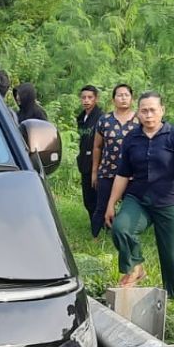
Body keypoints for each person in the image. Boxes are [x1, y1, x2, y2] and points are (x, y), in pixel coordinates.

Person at [104, 91, 174, 297]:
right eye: (144, 111)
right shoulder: (132, 138)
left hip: (171, 200)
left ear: (162, 111)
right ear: (138, 114)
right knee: (121, 228)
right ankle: (136, 267)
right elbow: (123, 174)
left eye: (152, 110)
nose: (148, 115)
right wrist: (110, 204)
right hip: (139, 198)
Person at [91, 83, 139, 237]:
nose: (123, 98)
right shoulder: (104, 120)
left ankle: (125, 236)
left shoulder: (139, 120)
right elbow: (97, 147)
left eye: (126, 95)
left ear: (132, 99)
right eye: (119, 95)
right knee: (101, 206)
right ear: (113, 100)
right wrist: (94, 171)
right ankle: (96, 237)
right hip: (107, 172)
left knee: (129, 208)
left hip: (133, 175)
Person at [76, 84, 103, 234]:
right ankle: (95, 226)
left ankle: (100, 229)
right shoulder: (82, 117)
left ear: (96, 99)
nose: (86, 100)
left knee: (97, 199)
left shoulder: (100, 118)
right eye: (84, 97)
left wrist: (97, 167)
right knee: (88, 198)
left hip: (97, 164)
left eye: (90, 97)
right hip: (84, 163)